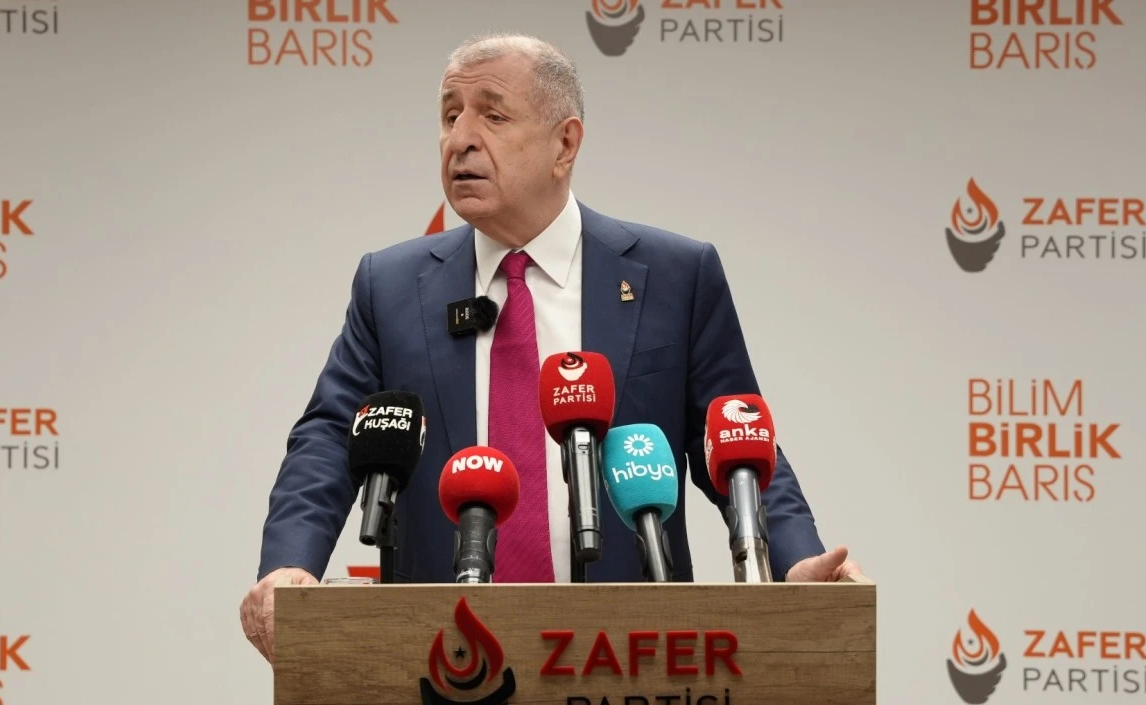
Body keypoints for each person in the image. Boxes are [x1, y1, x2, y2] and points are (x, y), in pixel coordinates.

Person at [240, 33, 863, 662]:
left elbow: (736, 439)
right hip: (443, 654)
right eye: (450, 116)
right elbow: (330, 435)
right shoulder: (392, 285)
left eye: (492, 115)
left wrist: (796, 563)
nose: (460, 138)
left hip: (630, 657)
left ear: (564, 144)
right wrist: (289, 565)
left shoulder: (675, 276)